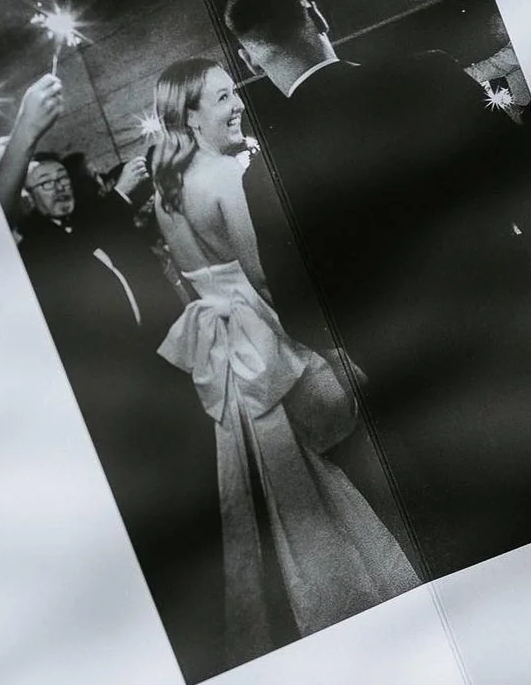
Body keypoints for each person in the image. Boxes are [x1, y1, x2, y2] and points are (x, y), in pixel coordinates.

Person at [223, 0, 531, 578]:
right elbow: (529, 186)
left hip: (415, 379)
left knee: (514, 538)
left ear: (249, 57)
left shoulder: (265, 177)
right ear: (318, 17)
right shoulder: (427, 74)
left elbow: (302, 313)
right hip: (519, 326)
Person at [150, 57, 419, 669]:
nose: (238, 104)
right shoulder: (228, 176)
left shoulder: (166, 191)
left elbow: (198, 280)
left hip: (228, 356)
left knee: (283, 499)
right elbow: (267, 276)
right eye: (223, 97)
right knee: (350, 474)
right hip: (272, 341)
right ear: (189, 115)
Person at [0, 75, 228, 685]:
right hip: (110, 401)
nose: (58, 188)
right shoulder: (33, 250)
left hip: (162, 370)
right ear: (26, 200)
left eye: (61, 179)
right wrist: (27, 135)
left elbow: (122, 229)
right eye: (43, 184)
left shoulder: (88, 226)